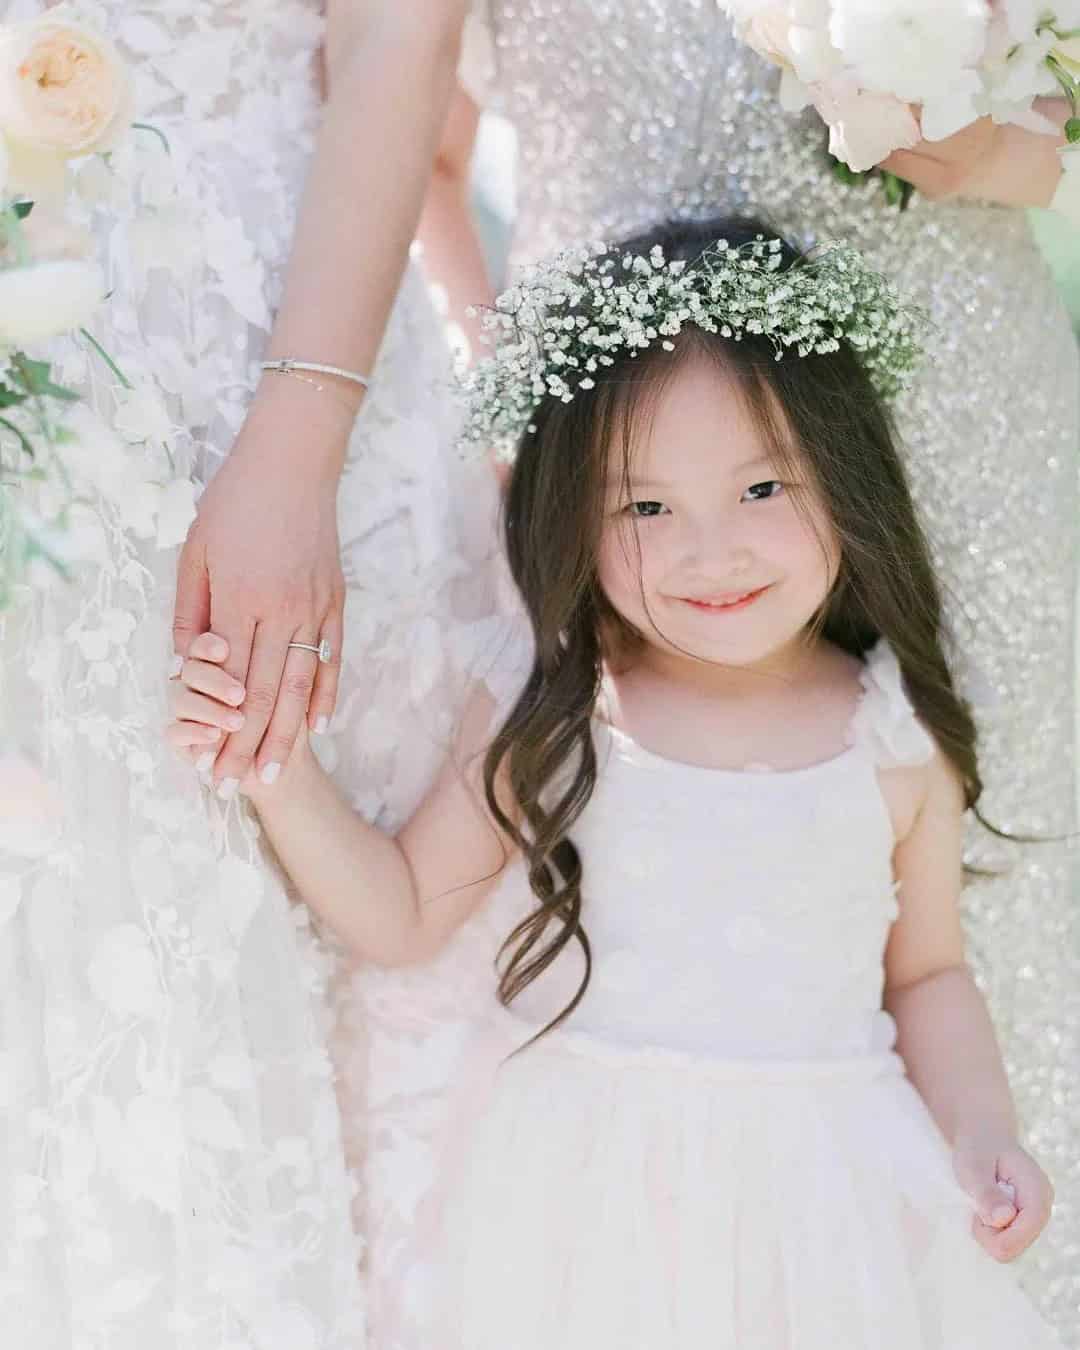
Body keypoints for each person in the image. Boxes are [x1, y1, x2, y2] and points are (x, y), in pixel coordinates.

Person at [167, 216, 1063, 1349]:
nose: (710, 552)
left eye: (761, 489)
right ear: (575, 517)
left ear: (846, 478)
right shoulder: (564, 705)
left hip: (827, 1197)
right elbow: (399, 912)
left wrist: (985, 1132)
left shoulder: (885, 732)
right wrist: (273, 761)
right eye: (645, 507)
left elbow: (929, 975)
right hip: (591, 1202)